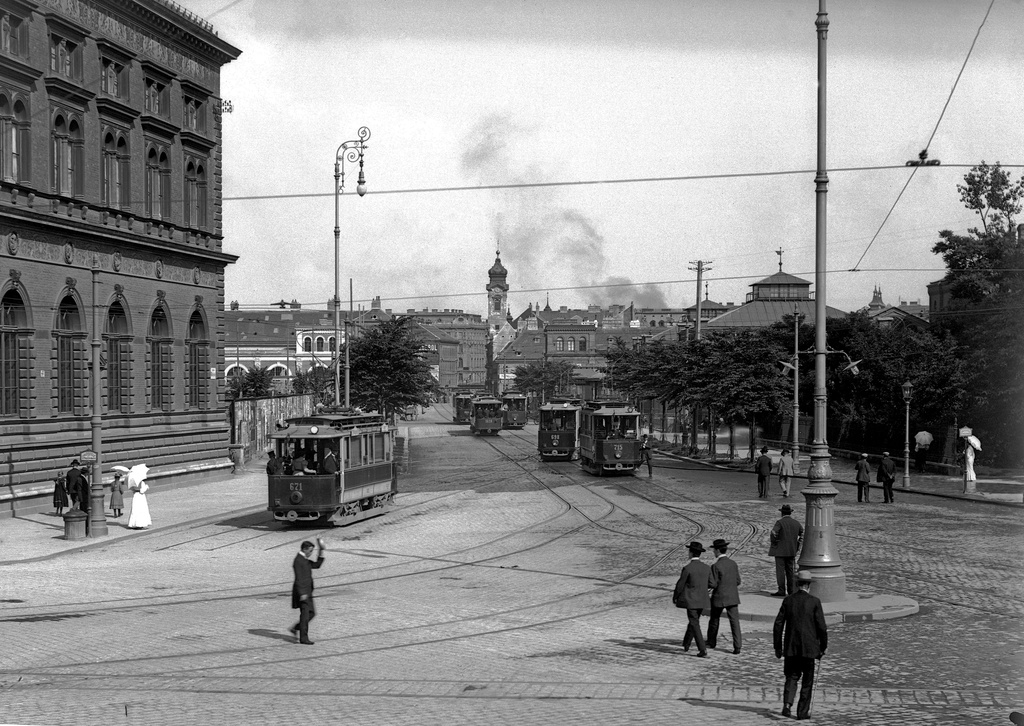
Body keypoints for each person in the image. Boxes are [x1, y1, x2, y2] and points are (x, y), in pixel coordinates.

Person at [773, 570, 828, 720]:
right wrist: (823, 647)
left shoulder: (788, 600)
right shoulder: (814, 602)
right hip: (809, 649)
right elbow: (821, 627)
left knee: (791, 677)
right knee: (807, 681)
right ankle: (802, 712)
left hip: (791, 647)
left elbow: (778, 624)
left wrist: (777, 647)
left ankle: (787, 704)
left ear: (797, 584)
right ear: (809, 585)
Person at [672, 541, 717, 658]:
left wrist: (675, 597)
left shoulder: (688, 568)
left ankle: (702, 649)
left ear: (691, 553)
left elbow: (680, 585)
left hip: (691, 600)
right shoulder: (706, 568)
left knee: (694, 623)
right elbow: (712, 583)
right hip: (702, 600)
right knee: (694, 621)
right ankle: (686, 643)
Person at [706, 538, 742, 655]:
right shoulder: (733, 564)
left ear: (717, 550)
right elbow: (738, 581)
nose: (713, 552)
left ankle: (712, 641)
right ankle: (737, 646)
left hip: (719, 597)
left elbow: (713, 583)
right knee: (734, 622)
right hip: (732, 597)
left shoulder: (716, 566)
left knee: (714, 620)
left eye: (714, 550)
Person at [290, 538, 326, 645]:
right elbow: (299, 578)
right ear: (305, 549)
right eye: (310, 551)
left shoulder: (304, 559)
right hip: (303, 593)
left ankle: (296, 628)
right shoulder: (298, 561)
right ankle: (303, 638)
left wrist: (321, 550)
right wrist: (302, 593)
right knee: (305, 615)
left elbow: (317, 565)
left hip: (307, 592)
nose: (311, 553)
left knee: (311, 613)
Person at [769, 504, 803, 597]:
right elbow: (802, 533)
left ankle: (781, 590)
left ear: (782, 513)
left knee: (780, 572)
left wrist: (775, 542)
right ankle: (791, 590)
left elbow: (773, 532)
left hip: (780, 551)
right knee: (790, 571)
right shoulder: (796, 523)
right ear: (790, 513)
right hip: (792, 551)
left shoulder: (780, 522)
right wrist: (797, 545)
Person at [126, 464, 152, 529]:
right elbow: (142, 491)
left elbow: (132, 490)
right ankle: (141, 524)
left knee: (135, 510)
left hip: (135, 496)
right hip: (141, 496)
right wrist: (146, 487)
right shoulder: (141, 482)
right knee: (141, 509)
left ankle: (134, 523)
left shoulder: (132, 482)